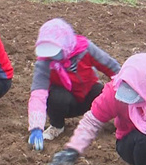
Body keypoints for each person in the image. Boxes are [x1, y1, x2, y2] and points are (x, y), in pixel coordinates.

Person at [27, 18, 122, 151]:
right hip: (65, 102)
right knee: (56, 97)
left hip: (89, 95)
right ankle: (57, 126)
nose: (52, 57)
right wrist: (36, 127)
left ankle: (109, 120)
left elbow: (112, 68)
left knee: (104, 92)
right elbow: (38, 94)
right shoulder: (44, 63)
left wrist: (125, 90)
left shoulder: (85, 49)